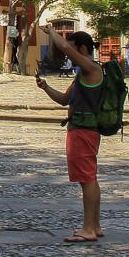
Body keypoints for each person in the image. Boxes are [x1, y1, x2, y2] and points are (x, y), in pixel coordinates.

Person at [35, 28, 105, 243]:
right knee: (89, 178)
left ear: (83, 49)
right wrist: (45, 87)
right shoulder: (81, 75)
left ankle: (89, 229)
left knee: (87, 179)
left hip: (84, 130)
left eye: (73, 50)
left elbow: (64, 46)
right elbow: (65, 100)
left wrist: (51, 32)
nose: (68, 54)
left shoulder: (91, 68)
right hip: (80, 129)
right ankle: (95, 225)